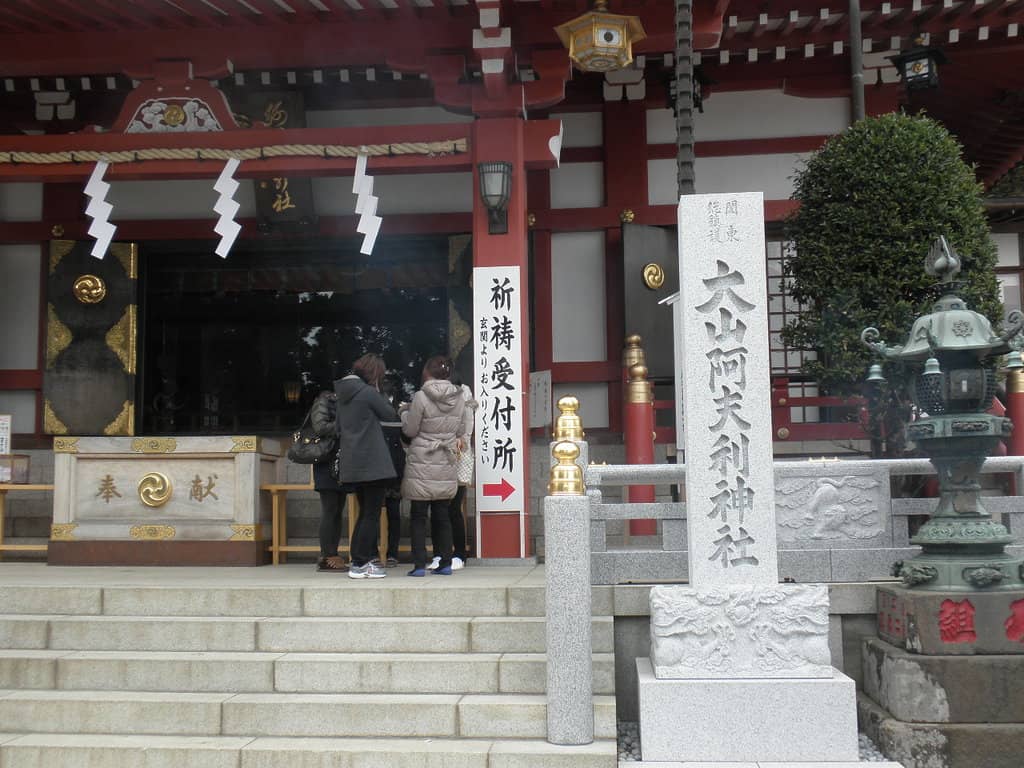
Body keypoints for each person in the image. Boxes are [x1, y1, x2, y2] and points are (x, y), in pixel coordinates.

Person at [400, 355, 470, 576]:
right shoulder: (460, 397)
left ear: (427, 373)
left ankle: (419, 565)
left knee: (419, 515)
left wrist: (404, 413)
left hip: (422, 458)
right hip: (446, 457)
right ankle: (445, 563)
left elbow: (410, 431)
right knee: (443, 514)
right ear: (448, 373)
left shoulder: (421, 396)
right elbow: (460, 432)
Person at [335, 353, 399, 579]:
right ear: (374, 373)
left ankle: (362, 561)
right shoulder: (368, 392)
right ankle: (360, 563)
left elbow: (337, 427)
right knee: (371, 514)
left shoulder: (342, 394)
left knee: (365, 514)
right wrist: (383, 394)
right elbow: (389, 413)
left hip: (352, 462)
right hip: (373, 462)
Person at [427, 371, 476, 571]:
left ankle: (459, 554)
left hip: (456, 456)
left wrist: (460, 440)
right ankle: (439, 553)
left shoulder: (464, 396)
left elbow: (467, 429)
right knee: (436, 509)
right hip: (434, 459)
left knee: (453, 508)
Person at [310, 389, 347, 572]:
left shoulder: (345, 402)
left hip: (340, 463)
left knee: (338, 510)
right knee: (330, 508)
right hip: (326, 462)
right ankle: (326, 555)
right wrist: (343, 424)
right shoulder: (324, 401)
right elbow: (319, 427)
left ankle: (334, 553)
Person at [380, 371, 408, 567]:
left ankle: (392, 552)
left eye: (391, 382)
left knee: (394, 510)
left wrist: (404, 415)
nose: (388, 385)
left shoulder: (402, 403)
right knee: (371, 510)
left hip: (396, 460)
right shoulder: (372, 401)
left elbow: (407, 437)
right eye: (385, 381)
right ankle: (371, 552)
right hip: (376, 459)